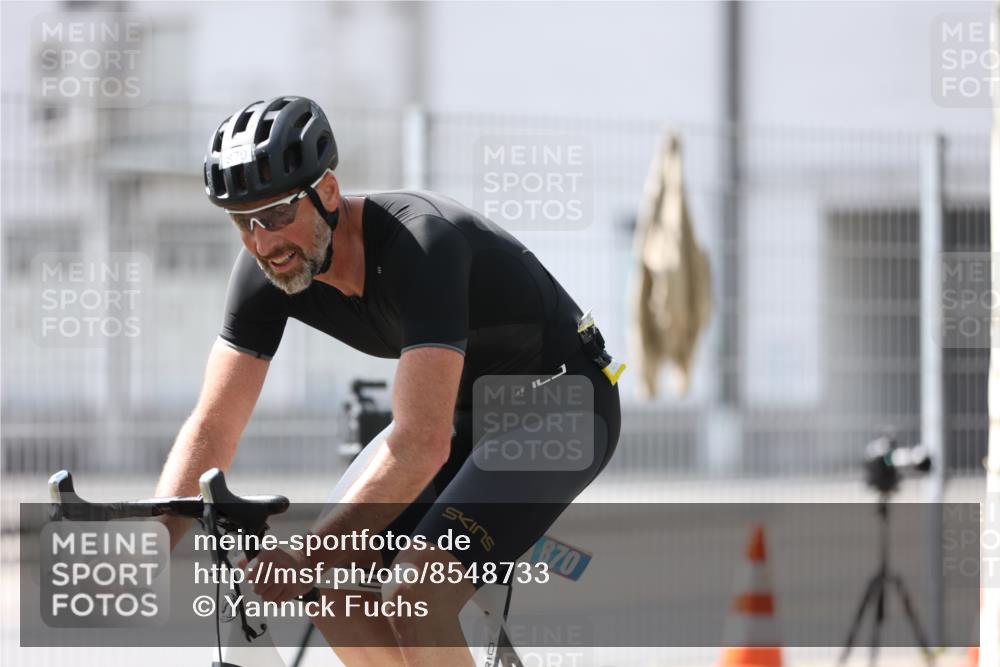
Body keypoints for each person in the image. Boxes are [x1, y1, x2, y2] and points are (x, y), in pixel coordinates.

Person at [154, 95, 622, 666]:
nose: (262, 242)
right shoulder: (264, 271)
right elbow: (213, 422)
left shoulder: (424, 244)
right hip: (465, 417)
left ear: (327, 193)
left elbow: (420, 443)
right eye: (242, 222)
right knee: (333, 590)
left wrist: (306, 554)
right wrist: (149, 550)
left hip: (562, 406)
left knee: (415, 591)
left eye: (276, 214)